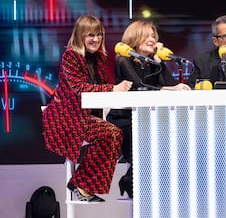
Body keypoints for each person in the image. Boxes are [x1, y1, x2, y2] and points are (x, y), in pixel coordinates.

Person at [42, 15, 133, 202]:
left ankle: (82, 184)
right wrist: (112, 89)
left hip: (86, 117)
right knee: (112, 133)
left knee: (117, 133)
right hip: (66, 119)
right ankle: (81, 185)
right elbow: (80, 88)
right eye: (91, 35)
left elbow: (100, 88)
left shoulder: (98, 58)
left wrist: (117, 90)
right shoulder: (71, 56)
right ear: (80, 36)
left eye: (99, 34)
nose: (96, 39)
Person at [107, 20, 191, 198]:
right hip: (125, 119)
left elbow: (171, 84)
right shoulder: (124, 60)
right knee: (144, 151)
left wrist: (158, 60)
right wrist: (169, 89)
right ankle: (133, 182)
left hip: (146, 120)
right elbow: (139, 87)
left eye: (154, 36)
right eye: (147, 35)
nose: (152, 39)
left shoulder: (152, 62)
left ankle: (132, 180)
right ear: (135, 38)